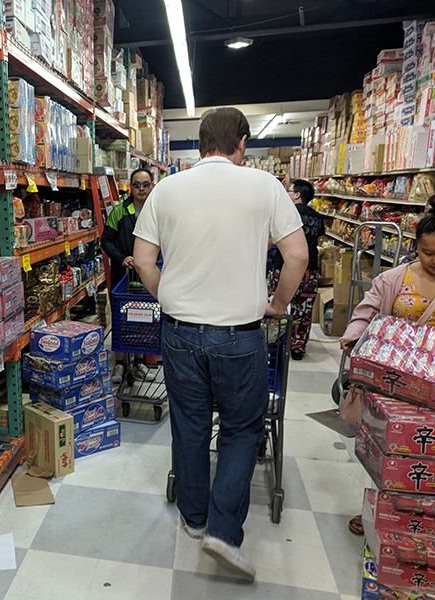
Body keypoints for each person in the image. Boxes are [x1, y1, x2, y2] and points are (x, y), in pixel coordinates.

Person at [132, 107, 308, 581]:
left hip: (179, 332)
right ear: (242, 143)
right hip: (239, 335)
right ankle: (224, 532)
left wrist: (167, 295)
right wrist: (277, 304)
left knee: (189, 424)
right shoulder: (265, 186)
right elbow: (297, 254)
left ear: (200, 142)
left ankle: (194, 519)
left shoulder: (166, 188)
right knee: (242, 429)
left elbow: (143, 260)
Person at [340, 192, 435, 536]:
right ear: (416, 247)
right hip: (395, 385)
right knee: (392, 451)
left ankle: (426, 520)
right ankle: (380, 511)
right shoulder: (395, 279)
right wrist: (354, 336)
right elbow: (366, 312)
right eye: (427, 252)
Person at [102, 167, 156, 384]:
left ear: (152, 186)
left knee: (145, 317)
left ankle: (139, 362)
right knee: (121, 318)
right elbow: (106, 240)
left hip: (148, 275)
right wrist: (121, 258)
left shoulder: (157, 211)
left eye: (145, 184)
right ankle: (120, 363)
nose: (141, 189)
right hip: (123, 275)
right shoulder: (120, 211)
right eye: (136, 185)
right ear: (130, 187)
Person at [268, 178, 326, 360]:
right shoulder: (317, 217)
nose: (287, 193)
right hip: (310, 270)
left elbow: (271, 239)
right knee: (304, 309)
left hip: (284, 267)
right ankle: (298, 347)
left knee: (275, 305)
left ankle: (272, 340)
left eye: (289, 190)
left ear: (297, 195)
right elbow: (317, 238)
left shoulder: (286, 214)